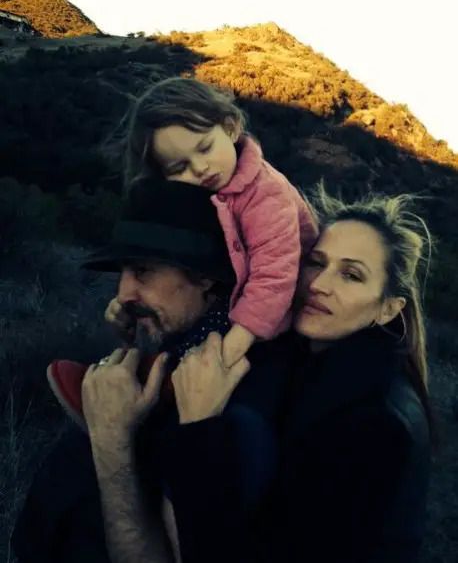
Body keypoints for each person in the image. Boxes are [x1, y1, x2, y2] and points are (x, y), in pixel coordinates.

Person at [13, 183, 433, 563]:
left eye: (351, 275)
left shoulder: (372, 425)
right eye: (315, 263)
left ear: (388, 309)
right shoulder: (302, 364)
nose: (320, 283)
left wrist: (176, 429)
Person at [13, 176, 296, 563]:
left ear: (204, 277)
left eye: (143, 272)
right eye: (123, 274)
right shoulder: (179, 351)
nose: (123, 293)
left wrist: (111, 438)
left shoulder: (231, 407)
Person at [114, 75, 318, 367]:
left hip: (282, 310)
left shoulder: (266, 194)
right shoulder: (203, 193)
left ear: (231, 128)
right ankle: (132, 375)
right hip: (238, 296)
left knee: (212, 356)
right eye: (180, 166)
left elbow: (275, 276)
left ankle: (165, 388)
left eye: (205, 148)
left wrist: (234, 345)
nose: (200, 168)